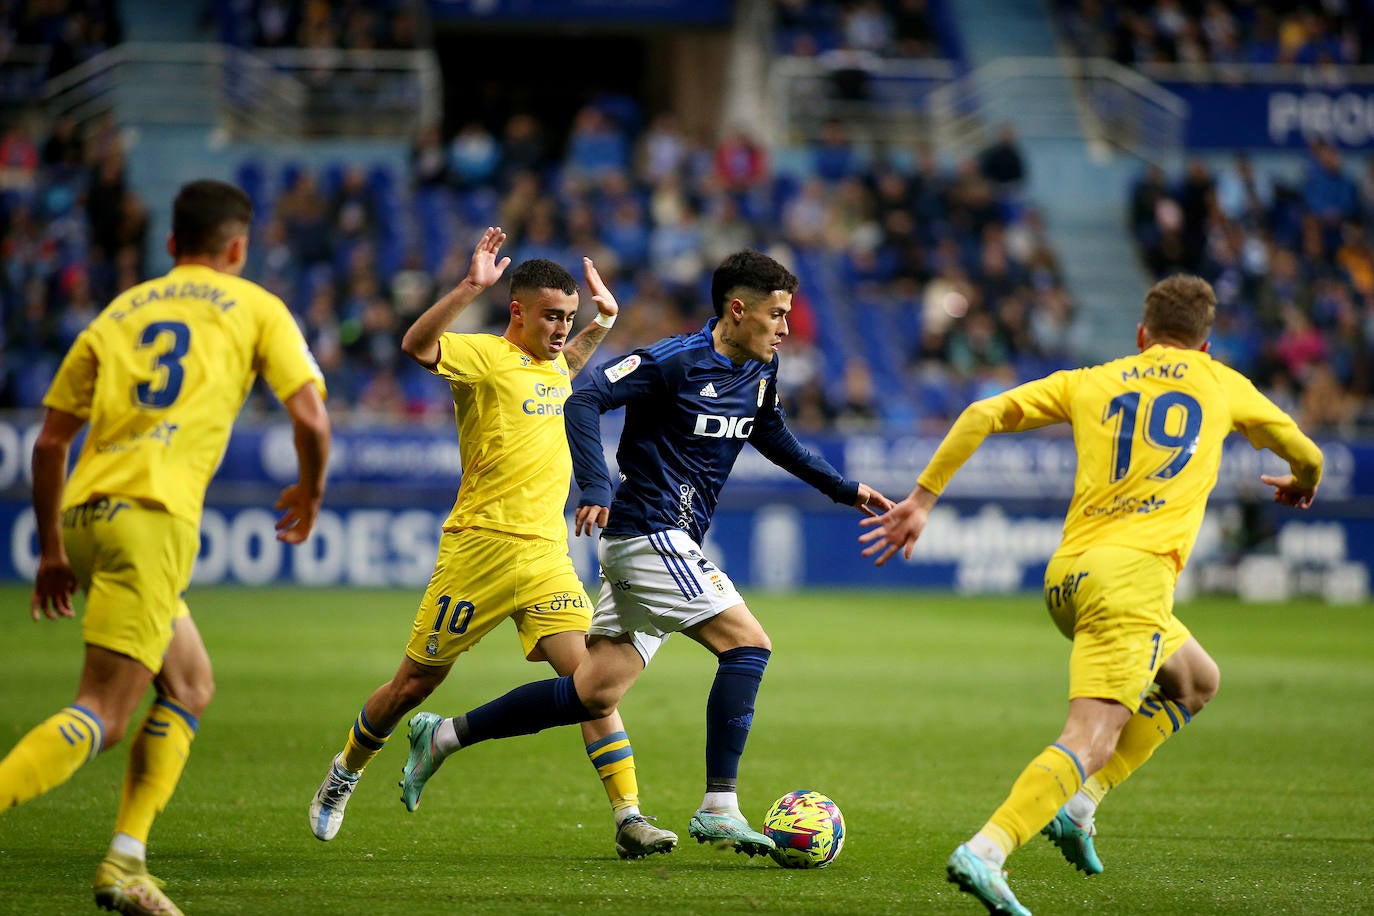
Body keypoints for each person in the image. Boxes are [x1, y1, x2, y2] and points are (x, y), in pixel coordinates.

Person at [395, 249, 893, 855]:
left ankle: (442, 736)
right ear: (738, 310)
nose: (786, 328)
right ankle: (720, 805)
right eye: (777, 314)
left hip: (670, 540)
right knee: (748, 645)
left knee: (593, 691)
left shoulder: (759, 374)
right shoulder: (671, 360)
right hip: (647, 533)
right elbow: (584, 399)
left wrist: (845, 488)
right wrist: (597, 485)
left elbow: (775, 437)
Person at [859, 274, 1324, 915]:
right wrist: (1301, 481)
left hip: (1069, 579)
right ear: (1207, 345)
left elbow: (980, 413)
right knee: (1090, 736)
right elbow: (1308, 454)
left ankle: (1081, 803)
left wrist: (922, 499)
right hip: (1132, 582)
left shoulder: (1093, 379)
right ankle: (988, 849)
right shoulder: (1224, 386)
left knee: (1195, 681)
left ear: (1141, 335)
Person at [0, 178, 331, 916]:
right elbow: (309, 418)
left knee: (189, 685)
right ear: (238, 247)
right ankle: (112, 859)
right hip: (151, 520)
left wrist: (52, 548)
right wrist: (308, 492)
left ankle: (126, 861)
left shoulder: (119, 310)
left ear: (173, 243)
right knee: (104, 713)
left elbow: (51, 439)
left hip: (86, 517)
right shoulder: (257, 307)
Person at [307, 227, 678, 860]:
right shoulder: (482, 357)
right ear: (518, 311)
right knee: (410, 688)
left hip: (544, 556)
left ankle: (629, 816)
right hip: (477, 551)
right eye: (552, 317)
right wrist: (467, 287)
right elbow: (416, 344)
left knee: (591, 683)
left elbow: (563, 373)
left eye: (569, 317)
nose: (562, 328)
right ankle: (344, 772)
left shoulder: (553, 366)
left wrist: (604, 324)